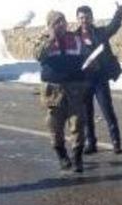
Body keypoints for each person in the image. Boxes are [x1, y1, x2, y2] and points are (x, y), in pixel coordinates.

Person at [34, 10, 89, 173]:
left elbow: (86, 55)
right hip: (54, 91)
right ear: (50, 25)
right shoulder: (43, 39)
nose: (61, 24)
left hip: (75, 88)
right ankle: (62, 155)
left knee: (78, 123)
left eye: (63, 21)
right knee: (55, 126)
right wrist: (51, 38)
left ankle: (77, 157)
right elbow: (38, 55)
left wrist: (91, 63)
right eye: (57, 22)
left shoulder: (75, 38)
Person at [77, 2, 122, 154]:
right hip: (84, 81)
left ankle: (116, 142)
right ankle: (91, 143)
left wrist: (120, 12)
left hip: (100, 79)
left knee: (108, 111)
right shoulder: (74, 37)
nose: (84, 20)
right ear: (77, 19)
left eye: (87, 17)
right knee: (87, 114)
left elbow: (113, 26)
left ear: (92, 18)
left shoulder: (100, 33)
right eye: (81, 18)